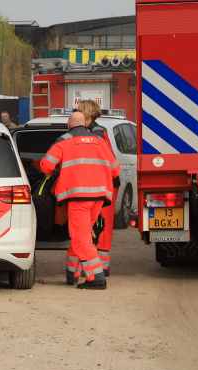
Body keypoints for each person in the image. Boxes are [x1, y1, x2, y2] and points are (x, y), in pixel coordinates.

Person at [40, 111, 119, 290]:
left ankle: (96, 278)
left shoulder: (63, 141)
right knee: (82, 235)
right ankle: (72, 273)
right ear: (85, 123)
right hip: (99, 197)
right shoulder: (100, 141)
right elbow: (115, 170)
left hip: (78, 198)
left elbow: (45, 165)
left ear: (69, 125)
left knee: (81, 237)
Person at [78, 99, 117, 276]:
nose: (77, 112)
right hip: (101, 183)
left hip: (105, 183)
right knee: (98, 223)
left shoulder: (96, 132)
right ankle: (97, 263)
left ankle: (102, 266)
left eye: (79, 110)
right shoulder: (92, 130)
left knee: (103, 224)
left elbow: (103, 158)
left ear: (87, 112)